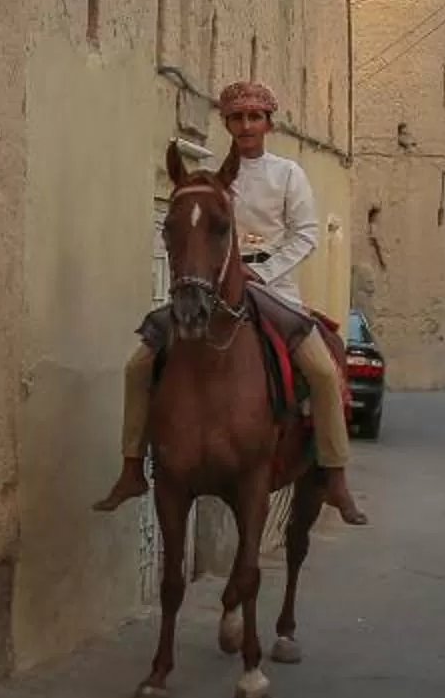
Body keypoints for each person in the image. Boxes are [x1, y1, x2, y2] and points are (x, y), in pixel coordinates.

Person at [93, 79, 369, 526]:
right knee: (138, 364)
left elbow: (306, 235)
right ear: (226, 124)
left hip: (272, 288)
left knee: (322, 370)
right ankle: (131, 468)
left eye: (254, 117)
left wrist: (266, 270)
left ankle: (334, 474)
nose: (246, 126)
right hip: (212, 289)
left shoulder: (287, 175)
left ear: (268, 124)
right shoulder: (211, 179)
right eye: (237, 118)